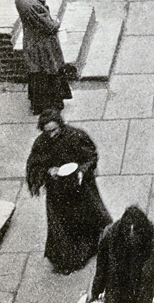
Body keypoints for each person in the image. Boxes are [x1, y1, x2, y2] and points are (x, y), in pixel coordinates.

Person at [26, 110, 112, 275]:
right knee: (61, 226)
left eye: (54, 130)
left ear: (60, 125)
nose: (51, 135)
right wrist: (47, 171)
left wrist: (81, 170)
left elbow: (91, 157)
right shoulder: (41, 143)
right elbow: (34, 165)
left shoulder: (75, 136)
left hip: (79, 187)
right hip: (57, 191)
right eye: (47, 131)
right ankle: (67, 260)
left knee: (90, 216)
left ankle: (98, 245)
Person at [14, 0, 71, 114]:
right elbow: (48, 25)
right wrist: (56, 23)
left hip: (33, 40)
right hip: (41, 44)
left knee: (39, 73)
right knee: (48, 70)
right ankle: (51, 102)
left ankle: (40, 103)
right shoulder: (30, 5)